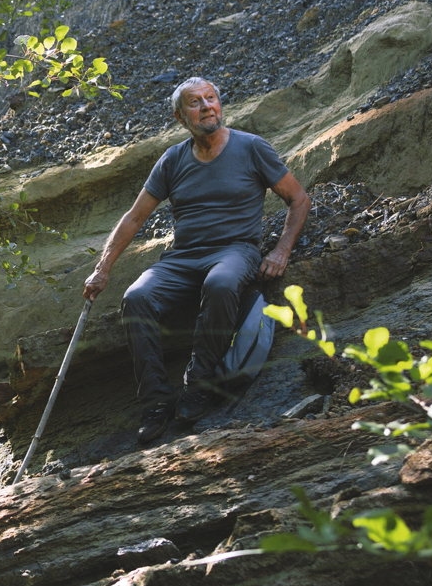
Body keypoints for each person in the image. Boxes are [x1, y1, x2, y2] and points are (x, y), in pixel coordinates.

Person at [82, 77, 310, 445]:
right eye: (195, 102)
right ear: (179, 116)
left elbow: (298, 199)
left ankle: (198, 383)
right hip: (183, 257)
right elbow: (135, 218)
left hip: (235, 249)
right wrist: (102, 267)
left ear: (220, 104)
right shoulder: (172, 160)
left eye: (211, 98)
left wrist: (281, 250)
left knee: (220, 284)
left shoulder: (252, 148)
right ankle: (155, 402)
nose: (206, 106)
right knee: (136, 298)